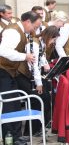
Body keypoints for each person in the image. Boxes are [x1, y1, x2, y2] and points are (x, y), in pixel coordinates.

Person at [0, 11, 41, 144]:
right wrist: (25, 56)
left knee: (16, 103)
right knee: (8, 105)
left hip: (11, 71)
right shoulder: (13, 31)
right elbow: (3, 51)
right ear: (27, 21)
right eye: (34, 26)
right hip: (3, 71)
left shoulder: (21, 31)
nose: (34, 30)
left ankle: (16, 135)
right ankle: (9, 137)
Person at [16, 26, 60, 136]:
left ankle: (39, 127)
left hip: (30, 75)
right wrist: (39, 84)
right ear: (49, 36)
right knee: (37, 98)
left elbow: (41, 57)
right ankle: (30, 131)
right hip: (21, 75)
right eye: (53, 39)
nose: (53, 42)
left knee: (46, 97)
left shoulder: (41, 43)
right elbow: (34, 66)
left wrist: (46, 65)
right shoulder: (34, 44)